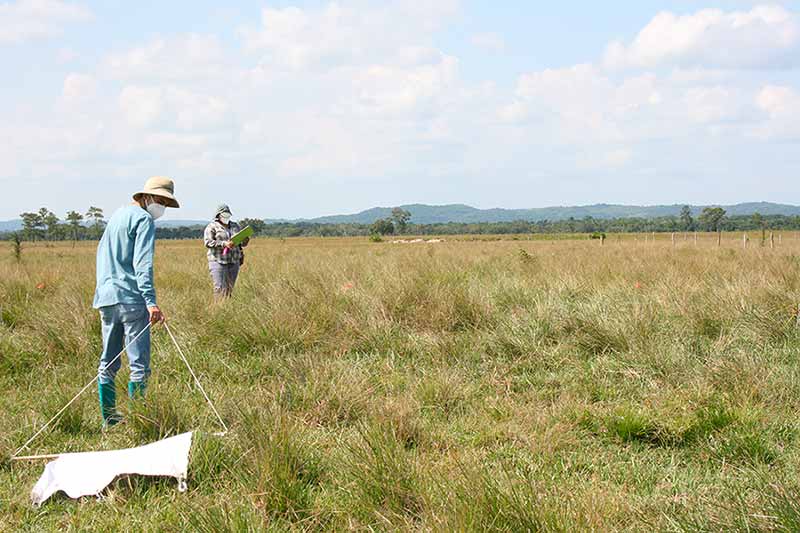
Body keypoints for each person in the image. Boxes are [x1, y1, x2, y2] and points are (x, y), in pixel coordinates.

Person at [93, 176, 179, 427]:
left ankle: (109, 419)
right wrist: (151, 302)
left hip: (107, 298)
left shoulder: (117, 216)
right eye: (161, 200)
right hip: (131, 300)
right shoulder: (143, 220)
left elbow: (102, 256)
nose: (161, 206)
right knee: (139, 364)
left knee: (107, 362)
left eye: (165, 201)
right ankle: (138, 421)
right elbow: (143, 264)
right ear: (147, 197)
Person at [204, 204, 249, 298]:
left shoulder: (235, 225)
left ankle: (227, 308)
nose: (226, 217)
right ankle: (218, 309)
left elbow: (242, 244)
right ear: (218, 215)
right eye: (224, 215)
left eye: (228, 215)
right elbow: (208, 242)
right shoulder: (212, 227)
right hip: (218, 261)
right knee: (219, 288)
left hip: (234, 261)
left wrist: (245, 239)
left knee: (229, 288)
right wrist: (224, 244)